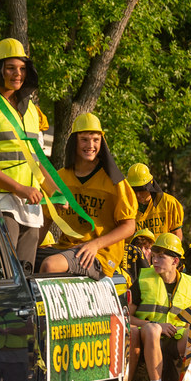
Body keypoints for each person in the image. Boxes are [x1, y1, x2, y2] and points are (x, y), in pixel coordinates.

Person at [0, 37, 57, 271]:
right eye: (11, 68)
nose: (18, 74)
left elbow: (37, 160)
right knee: (3, 273)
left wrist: (55, 192)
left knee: (24, 274)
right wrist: (19, 188)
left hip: (30, 207)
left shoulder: (33, 111)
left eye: (22, 69)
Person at [39, 113, 137, 281]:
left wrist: (95, 245)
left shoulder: (115, 181)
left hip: (99, 253)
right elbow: (46, 219)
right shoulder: (60, 178)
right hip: (67, 248)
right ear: (74, 142)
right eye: (84, 139)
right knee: (22, 262)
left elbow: (129, 227)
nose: (90, 145)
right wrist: (24, 253)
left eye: (96, 140)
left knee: (50, 265)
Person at [127, 232, 191, 381]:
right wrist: (156, 325)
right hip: (148, 337)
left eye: (161, 257)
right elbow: (127, 316)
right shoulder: (143, 279)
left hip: (176, 337)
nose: (155, 261)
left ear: (175, 261)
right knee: (153, 330)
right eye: (154, 256)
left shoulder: (190, 283)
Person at [127, 163, 184, 241]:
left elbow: (177, 235)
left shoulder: (169, 203)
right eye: (134, 190)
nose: (138, 195)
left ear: (150, 186)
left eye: (141, 190)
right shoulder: (125, 206)